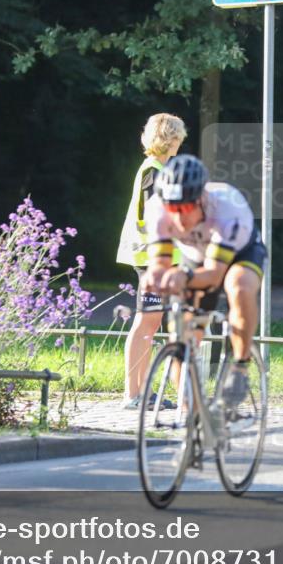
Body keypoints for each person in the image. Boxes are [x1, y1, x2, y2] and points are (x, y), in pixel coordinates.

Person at [142, 154, 266, 407]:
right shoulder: (156, 208)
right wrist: (154, 276)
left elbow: (214, 275)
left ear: (201, 199)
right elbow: (160, 263)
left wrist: (182, 276)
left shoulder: (226, 208)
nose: (178, 218)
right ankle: (192, 414)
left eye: (185, 208)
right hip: (195, 257)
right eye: (172, 208)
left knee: (238, 286)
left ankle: (240, 367)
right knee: (182, 335)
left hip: (238, 253)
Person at [117, 114, 186, 410]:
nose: (180, 144)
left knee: (150, 322)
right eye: (179, 138)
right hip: (151, 258)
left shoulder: (158, 169)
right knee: (147, 322)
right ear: (169, 139)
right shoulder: (153, 171)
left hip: (155, 257)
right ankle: (134, 394)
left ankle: (140, 392)